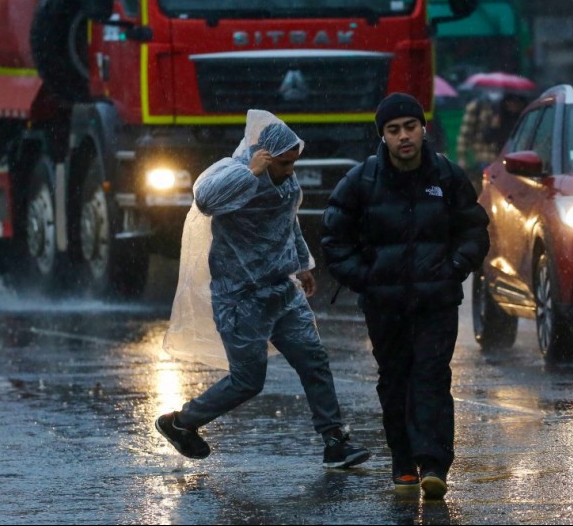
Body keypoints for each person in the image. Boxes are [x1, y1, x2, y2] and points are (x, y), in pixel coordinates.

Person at [155, 109, 371, 470]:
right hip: (240, 298)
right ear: (264, 157)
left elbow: (288, 221)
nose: (290, 170)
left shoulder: (287, 182)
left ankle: (335, 440)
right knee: (248, 381)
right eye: (284, 163)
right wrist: (249, 172)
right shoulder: (233, 173)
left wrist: (302, 265)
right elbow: (205, 200)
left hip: (280, 291)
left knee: (313, 359)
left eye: (293, 163)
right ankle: (181, 422)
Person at [322, 93, 489, 498]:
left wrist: (453, 268)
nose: (403, 137)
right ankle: (403, 463)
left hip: (437, 302)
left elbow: (474, 230)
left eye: (410, 127)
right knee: (394, 381)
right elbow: (334, 239)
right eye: (393, 130)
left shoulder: (446, 176)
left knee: (431, 377)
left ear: (423, 128)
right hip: (385, 305)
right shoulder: (361, 180)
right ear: (383, 136)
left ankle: (433, 465)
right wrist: (367, 278)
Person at [456, 91, 528, 193]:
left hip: (503, 157)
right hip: (484, 155)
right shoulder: (478, 107)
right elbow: (465, 133)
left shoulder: (508, 111)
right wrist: (462, 157)